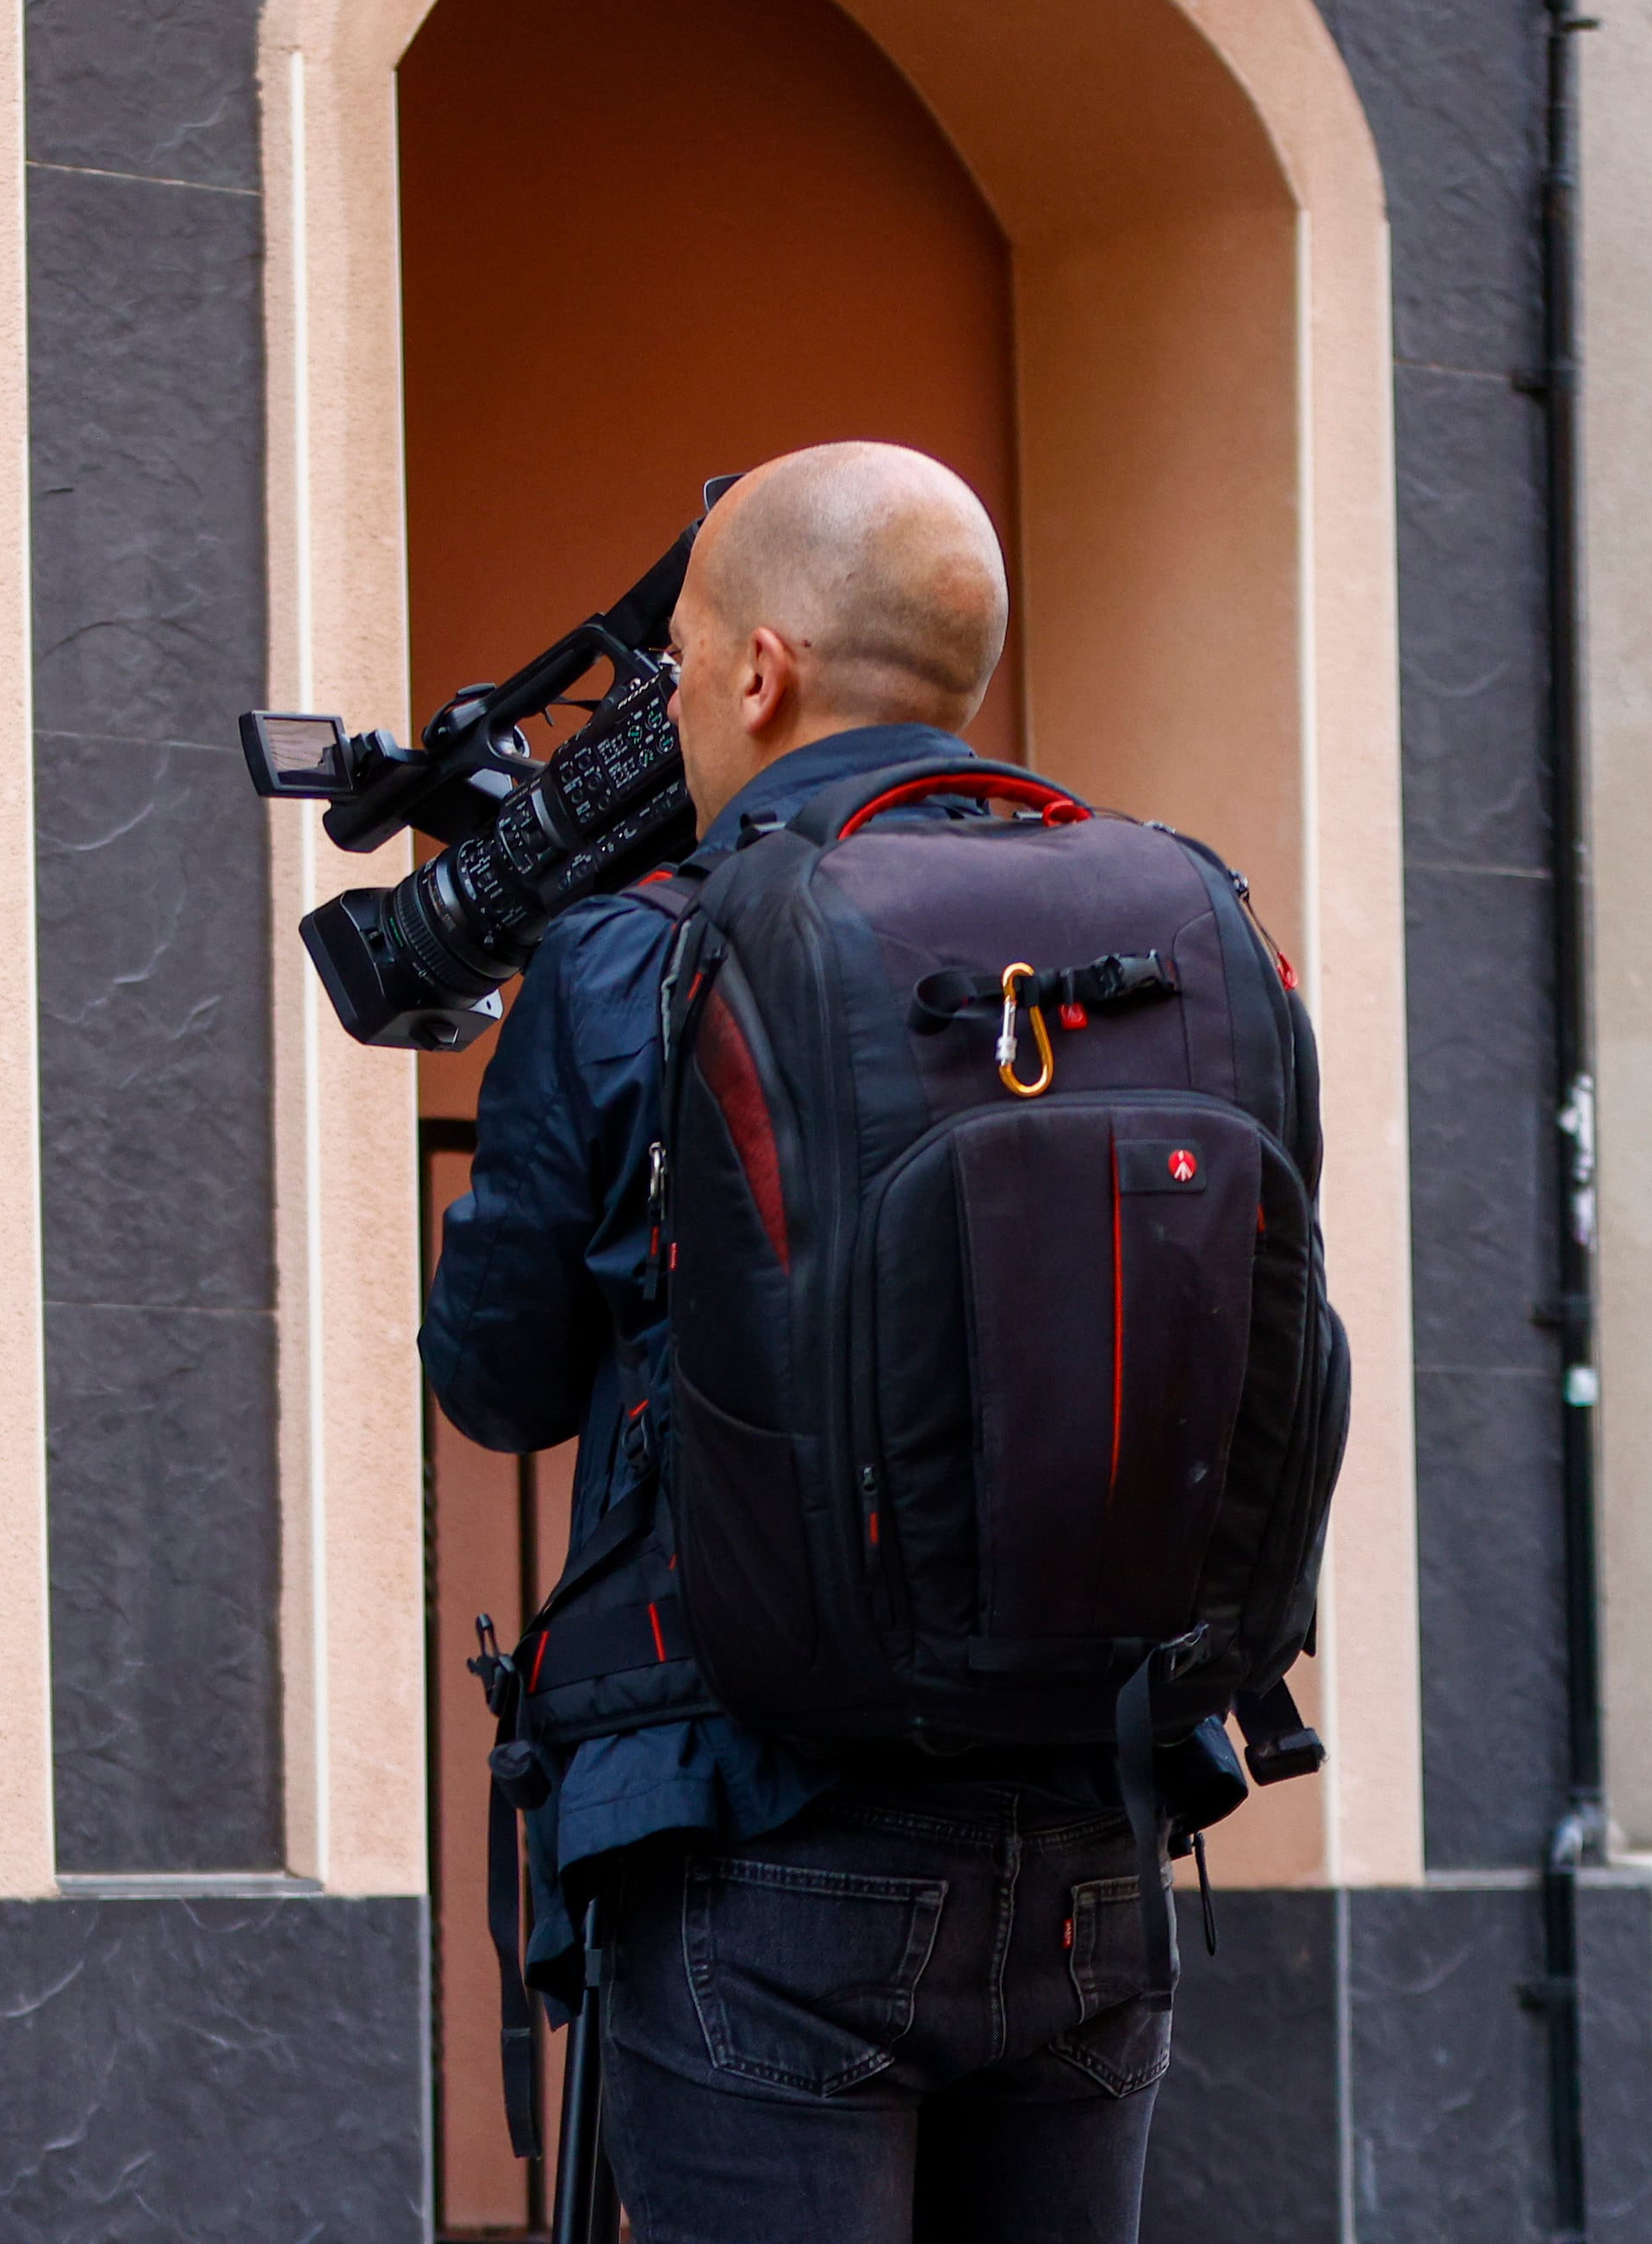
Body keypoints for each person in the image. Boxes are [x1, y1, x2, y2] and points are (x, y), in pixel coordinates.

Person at [427, 441, 1169, 2244]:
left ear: (755, 671)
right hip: (1096, 1826)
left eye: (676, 662)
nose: (670, 702)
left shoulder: (635, 959)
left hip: (756, 1827)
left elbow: (496, 1373)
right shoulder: (1170, 924)